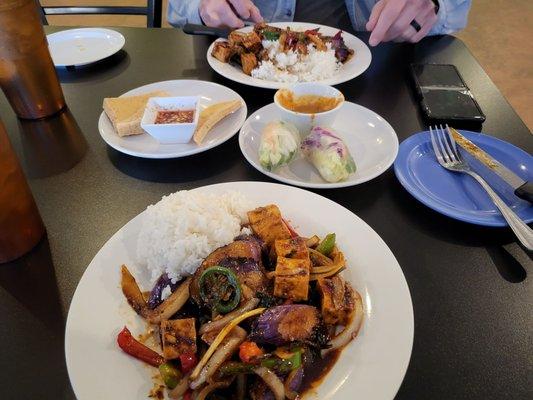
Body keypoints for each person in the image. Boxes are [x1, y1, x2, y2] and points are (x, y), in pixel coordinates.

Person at [168, 0, 472, 46]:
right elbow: (180, 8)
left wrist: (433, 5)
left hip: (377, 66)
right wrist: (203, 6)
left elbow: (453, 8)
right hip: (241, 71)